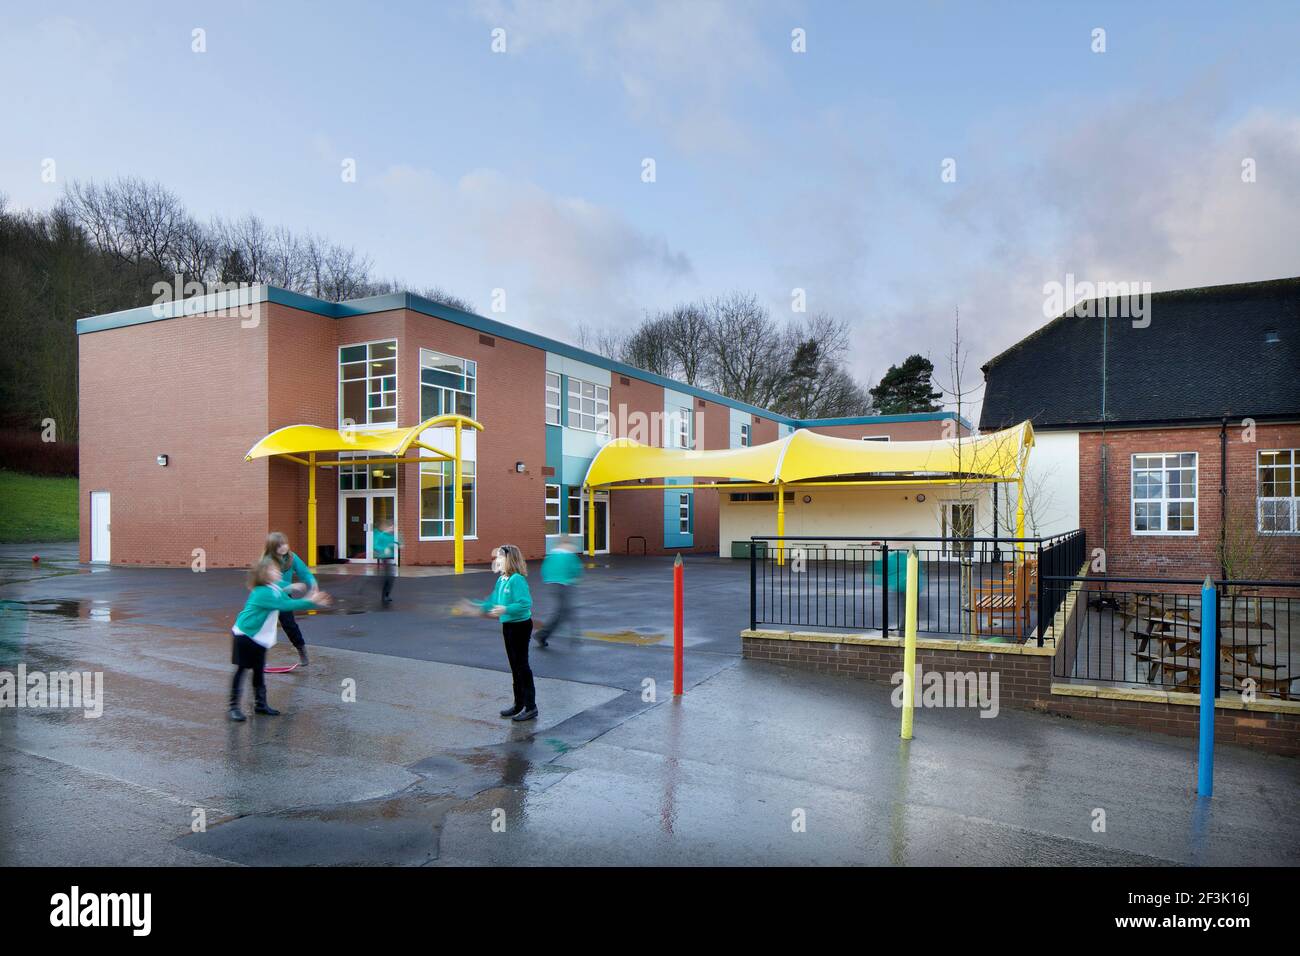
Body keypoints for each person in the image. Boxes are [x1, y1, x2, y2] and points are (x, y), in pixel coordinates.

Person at [229, 556, 331, 722]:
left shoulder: (273, 586)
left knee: (258, 670)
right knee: (242, 670)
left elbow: (281, 586)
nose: (278, 571)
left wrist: (292, 585)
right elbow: (286, 605)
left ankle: (260, 705)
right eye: (273, 570)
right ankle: (233, 707)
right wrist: (312, 602)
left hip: (259, 637)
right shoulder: (263, 592)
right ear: (264, 575)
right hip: (245, 635)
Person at [474, 544, 537, 722]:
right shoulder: (502, 579)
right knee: (514, 666)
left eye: (501, 557)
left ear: (510, 559)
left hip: (521, 626)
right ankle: (519, 704)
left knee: (521, 666)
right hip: (508, 625)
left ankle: (531, 707)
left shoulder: (517, 579)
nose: (497, 560)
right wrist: (475, 607)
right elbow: (493, 600)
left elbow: (525, 604)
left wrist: (505, 609)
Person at [262, 532, 317, 666]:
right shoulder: (267, 561)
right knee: (261, 626)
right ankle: (257, 656)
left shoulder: (292, 558)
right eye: (279, 545)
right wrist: (291, 585)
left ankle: (301, 649)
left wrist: (313, 584)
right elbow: (270, 582)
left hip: (284, 597)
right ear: (272, 547)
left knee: (290, 625)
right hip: (266, 597)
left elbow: (304, 572)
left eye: (285, 544)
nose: (284, 547)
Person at [533, 540, 583, 647]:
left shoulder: (551, 556)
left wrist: (549, 579)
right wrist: (574, 579)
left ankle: (543, 635)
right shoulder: (569, 556)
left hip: (552, 585)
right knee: (564, 611)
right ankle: (543, 635)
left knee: (563, 611)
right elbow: (576, 570)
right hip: (564, 585)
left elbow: (544, 569)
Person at [373, 519, 400, 607]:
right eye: (391, 527)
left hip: (388, 558)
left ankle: (386, 595)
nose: (392, 529)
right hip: (383, 558)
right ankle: (384, 596)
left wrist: (398, 544)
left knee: (390, 577)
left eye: (393, 527)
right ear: (388, 527)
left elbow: (394, 542)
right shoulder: (381, 535)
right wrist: (384, 549)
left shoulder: (390, 536)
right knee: (388, 577)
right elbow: (376, 546)